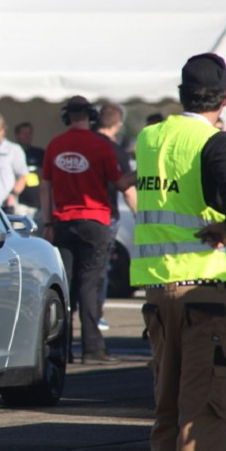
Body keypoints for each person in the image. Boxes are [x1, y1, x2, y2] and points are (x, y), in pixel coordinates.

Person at [132, 53, 226, 451]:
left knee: (165, 417)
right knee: (201, 418)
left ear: (181, 93)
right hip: (205, 293)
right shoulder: (215, 140)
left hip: (159, 297)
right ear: (224, 97)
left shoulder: (150, 138)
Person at [41, 95, 136, 365]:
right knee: (89, 285)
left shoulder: (55, 145)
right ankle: (93, 348)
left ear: (66, 116)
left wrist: (48, 223)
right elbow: (119, 184)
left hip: (62, 222)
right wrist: (143, 172)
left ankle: (62, 349)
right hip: (95, 223)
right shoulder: (101, 145)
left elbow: (45, 187)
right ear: (90, 117)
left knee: (66, 285)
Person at [95, 102, 132, 331]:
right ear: (117, 125)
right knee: (100, 270)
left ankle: (79, 312)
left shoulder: (83, 144)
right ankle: (95, 314)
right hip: (105, 213)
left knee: (80, 272)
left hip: (71, 214)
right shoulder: (115, 150)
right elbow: (126, 186)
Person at [14, 122, 45, 211]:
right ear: (17, 136)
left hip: (36, 203)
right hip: (18, 203)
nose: (27, 136)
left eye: (29, 133)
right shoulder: (11, 153)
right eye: (24, 133)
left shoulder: (39, 154)